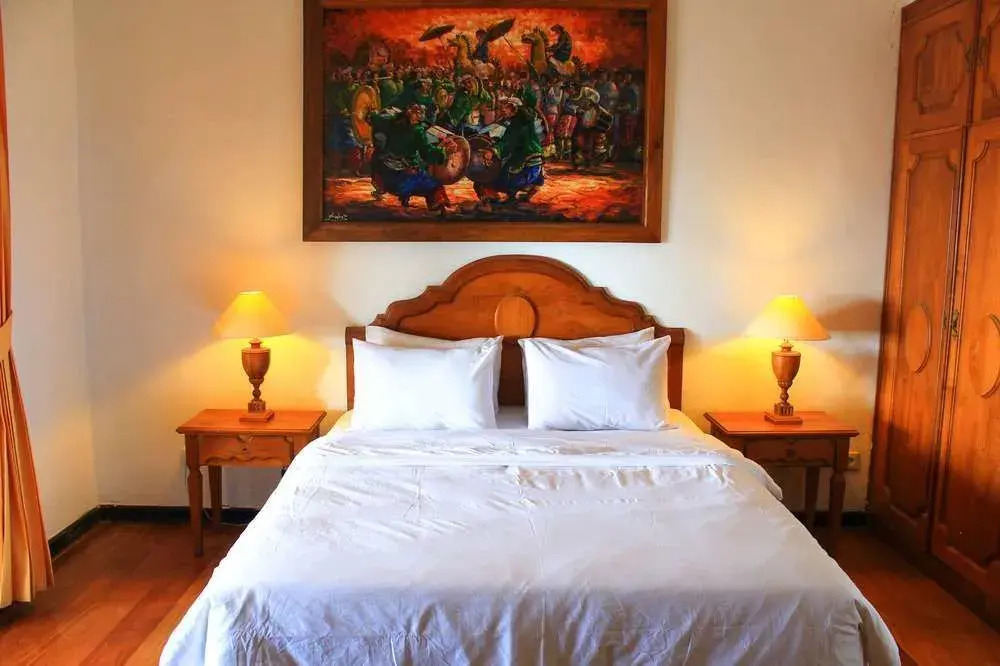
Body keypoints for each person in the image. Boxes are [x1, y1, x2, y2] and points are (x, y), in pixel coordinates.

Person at [368, 104, 453, 214]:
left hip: (382, 176)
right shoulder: (417, 131)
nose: (420, 115)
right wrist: (444, 152)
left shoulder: (387, 120)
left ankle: (382, 188)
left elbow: (373, 118)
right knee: (435, 186)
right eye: (417, 112)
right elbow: (427, 154)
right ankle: (437, 208)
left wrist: (371, 114)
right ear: (409, 112)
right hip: (401, 182)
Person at [473, 96, 545, 212]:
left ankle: (489, 203)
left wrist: (492, 151)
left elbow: (508, 143)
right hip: (537, 168)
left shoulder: (517, 124)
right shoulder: (526, 121)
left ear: (514, 108)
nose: (502, 111)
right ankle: (517, 197)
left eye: (505, 108)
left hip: (524, 170)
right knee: (509, 163)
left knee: (483, 181)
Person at [324, 67, 362, 176]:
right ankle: (335, 169)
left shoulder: (357, 88)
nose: (348, 77)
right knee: (335, 143)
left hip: (352, 120)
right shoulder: (337, 88)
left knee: (354, 144)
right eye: (345, 75)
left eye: (349, 75)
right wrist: (343, 110)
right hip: (339, 119)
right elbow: (337, 100)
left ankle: (355, 169)